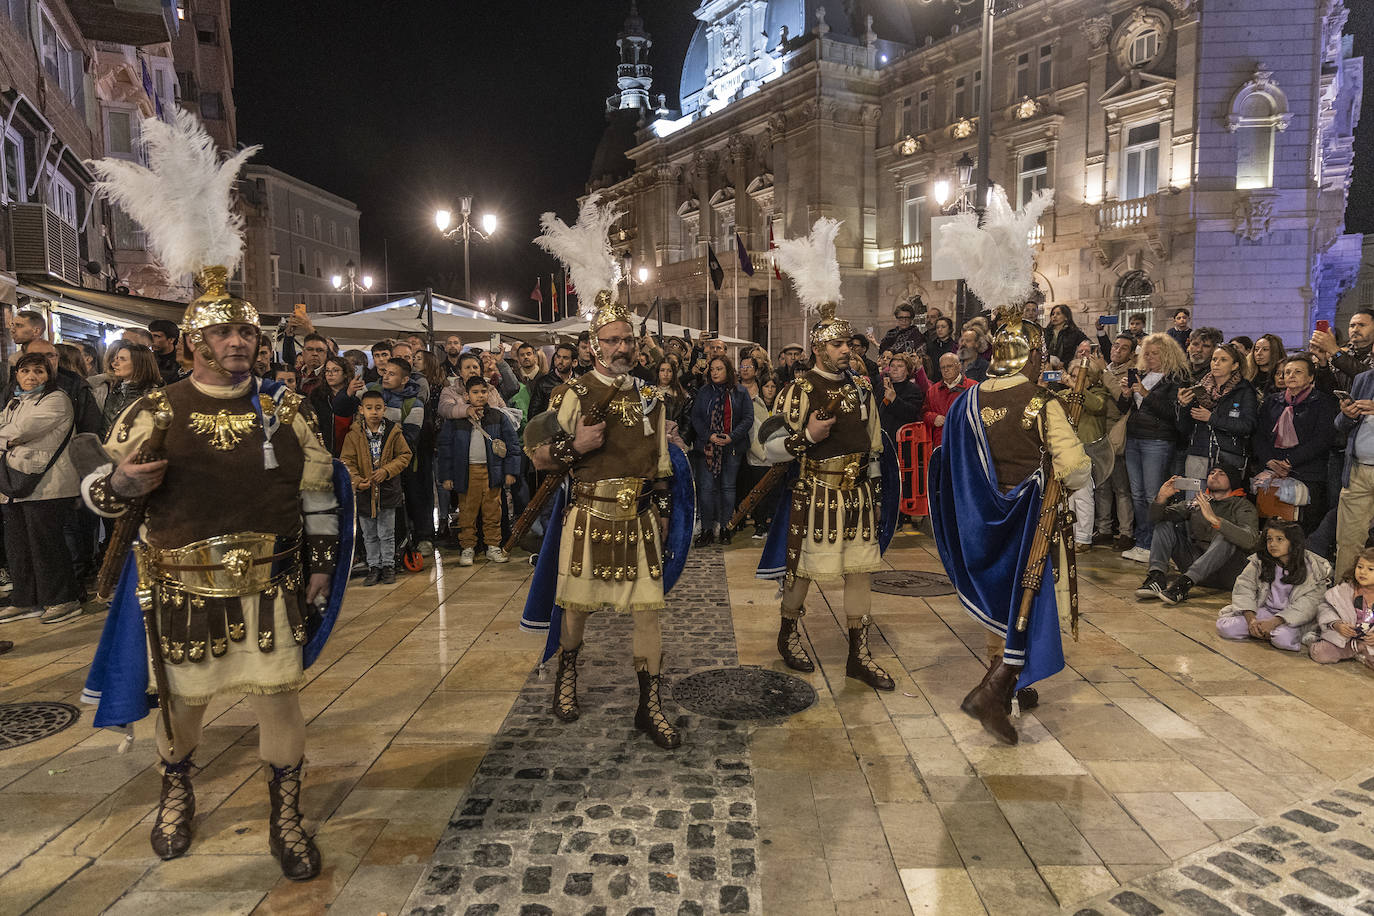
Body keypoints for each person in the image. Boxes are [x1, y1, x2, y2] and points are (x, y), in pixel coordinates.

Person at [82, 278, 343, 880]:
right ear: (194, 340)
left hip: (271, 581)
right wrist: (119, 487)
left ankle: (286, 814)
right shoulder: (154, 408)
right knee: (182, 709)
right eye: (223, 331)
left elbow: (319, 498)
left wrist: (324, 567)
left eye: (247, 331)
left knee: (280, 703)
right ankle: (177, 794)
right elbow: (102, 491)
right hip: (182, 586)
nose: (238, 341)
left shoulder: (286, 408)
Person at [930, 302, 1092, 746]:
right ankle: (996, 691)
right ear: (1031, 356)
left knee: (996, 602)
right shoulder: (1039, 402)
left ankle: (1003, 689)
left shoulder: (966, 401)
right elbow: (1075, 468)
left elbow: (951, 463)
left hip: (979, 521)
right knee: (1026, 602)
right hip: (1027, 523)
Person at [529, 288, 681, 749]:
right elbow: (536, 455)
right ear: (594, 345)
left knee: (649, 612)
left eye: (627, 340)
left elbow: (659, 467)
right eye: (611, 340)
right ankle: (566, 675)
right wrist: (576, 446)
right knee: (576, 609)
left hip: (638, 518)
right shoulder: (572, 393)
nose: (621, 348)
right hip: (590, 514)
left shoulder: (652, 397)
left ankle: (648, 706)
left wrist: (664, 512)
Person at [0, 352, 80, 625]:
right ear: (17, 375)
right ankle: (25, 600)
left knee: (45, 545)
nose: (31, 376)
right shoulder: (14, 402)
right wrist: (8, 438)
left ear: (49, 375)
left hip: (47, 485)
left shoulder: (56, 399)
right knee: (18, 547)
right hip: (15, 485)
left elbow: (22, 431)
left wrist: (8, 438)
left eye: (39, 371)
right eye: (25, 371)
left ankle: (62, 599)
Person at [1134, 465, 1259, 605]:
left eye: (1221, 473)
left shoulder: (1243, 506)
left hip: (1227, 572)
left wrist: (1216, 521)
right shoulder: (1198, 502)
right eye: (1212, 473)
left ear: (1232, 480)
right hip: (1196, 567)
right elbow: (1155, 518)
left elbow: (1251, 541)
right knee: (1164, 524)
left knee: (1225, 536)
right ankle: (1156, 577)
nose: (1214, 475)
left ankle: (1184, 584)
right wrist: (1161, 498)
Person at [1118, 333, 1190, 561]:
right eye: (1146, 353)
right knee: (1137, 494)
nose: (1148, 357)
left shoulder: (1175, 378)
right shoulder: (1142, 375)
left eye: (1154, 353)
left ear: (1167, 354)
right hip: (1135, 438)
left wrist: (1145, 393)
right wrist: (1127, 394)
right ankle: (1142, 541)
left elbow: (1171, 413)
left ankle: (1155, 545)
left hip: (1158, 440)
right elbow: (1123, 408)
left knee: (1152, 495)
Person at [437, 375, 521, 566]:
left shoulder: (498, 417)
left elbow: (512, 445)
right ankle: (468, 547)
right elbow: (445, 449)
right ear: (466, 395)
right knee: (467, 512)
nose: (480, 396)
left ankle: (493, 546)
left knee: (493, 511)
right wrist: (447, 476)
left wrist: (510, 472)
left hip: (493, 472)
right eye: (475, 392)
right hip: (466, 473)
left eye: (484, 391)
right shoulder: (456, 419)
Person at [1252, 354, 1338, 534]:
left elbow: (1322, 438)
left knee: (1303, 530)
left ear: (1311, 377)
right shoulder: (1272, 401)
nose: (1290, 376)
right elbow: (1258, 435)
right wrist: (1270, 461)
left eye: (1297, 372)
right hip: (1273, 471)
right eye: (1287, 372)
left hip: (1308, 472)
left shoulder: (1322, 402)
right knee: (1271, 527)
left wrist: (1290, 461)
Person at [1216, 520, 1330, 652]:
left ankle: (1269, 631)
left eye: (1279, 539)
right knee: (1225, 628)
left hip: (1291, 618)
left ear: (1293, 542)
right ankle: (1261, 631)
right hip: (1264, 611)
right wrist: (1251, 620)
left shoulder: (1313, 568)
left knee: (1282, 639)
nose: (1272, 544)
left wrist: (1274, 622)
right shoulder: (1259, 561)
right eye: (1269, 539)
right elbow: (1244, 588)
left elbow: (1309, 604)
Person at [340, 390, 411, 585]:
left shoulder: (393, 432)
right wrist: (355, 480)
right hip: (364, 491)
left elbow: (405, 455)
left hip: (387, 491)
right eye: (369, 408)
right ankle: (374, 566)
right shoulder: (354, 434)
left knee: (386, 532)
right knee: (369, 534)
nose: (374, 412)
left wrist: (386, 471)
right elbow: (347, 460)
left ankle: (388, 565)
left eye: (378, 408)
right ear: (361, 410)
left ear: (384, 409)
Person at [1055, 359, 1118, 550]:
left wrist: (1078, 388)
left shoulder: (1099, 394)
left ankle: (1083, 538)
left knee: (1083, 496)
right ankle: (1069, 535)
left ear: (1090, 378)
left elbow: (1097, 406)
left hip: (1089, 451)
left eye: (1080, 377)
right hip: (1067, 452)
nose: (1074, 381)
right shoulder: (1065, 394)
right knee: (1067, 497)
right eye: (1073, 377)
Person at [370, 357, 430, 553]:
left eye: (392, 374)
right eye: (385, 372)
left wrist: (384, 435)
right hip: (374, 461)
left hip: (403, 463)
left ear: (404, 379)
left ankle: (421, 537)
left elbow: (410, 436)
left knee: (413, 498)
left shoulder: (414, 403)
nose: (386, 376)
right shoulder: (372, 395)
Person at [690, 356, 751, 546]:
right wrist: (709, 436)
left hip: (732, 447)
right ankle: (707, 529)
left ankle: (726, 527)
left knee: (727, 488)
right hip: (708, 448)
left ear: (728, 371)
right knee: (707, 489)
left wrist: (732, 436)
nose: (715, 372)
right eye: (712, 369)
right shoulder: (704, 392)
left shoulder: (740, 392)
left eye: (719, 369)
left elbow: (748, 418)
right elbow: (696, 418)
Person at [1176, 342, 1257, 480]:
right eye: (1214, 359)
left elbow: (1248, 426)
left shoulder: (1244, 390)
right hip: (1198, 453)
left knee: (1221, 500)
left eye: (1223, 360)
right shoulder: (1199, 388)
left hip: (1228, 457)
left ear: (1235, 366)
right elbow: (1183, 428)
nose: (1216, 363)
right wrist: (1183, 406)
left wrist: (1212, 419)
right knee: (1194, 499)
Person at [1095, 335, 1137, 550]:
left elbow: (1123, 400)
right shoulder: (1105, 366)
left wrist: (1104, 373)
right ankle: (1103, 530)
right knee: (1102, 485)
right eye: (1115, 346)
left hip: (1116, 433)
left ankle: (1126, 533)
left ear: (1131, 354)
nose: (1117, 350)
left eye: (1124, 348)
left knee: (1121, 487)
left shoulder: (1131, 372)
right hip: (1098, 431)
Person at [1334, 366, 1374, 578]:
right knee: (1348, 542)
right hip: (1357, 470)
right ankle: (1342, 600)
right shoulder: (1363, 379)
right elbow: (1340, 425)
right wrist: (1347, 415)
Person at [1312, 546, 1374, 669]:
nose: (1363, 572)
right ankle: (1353, 648)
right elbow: (1325, 608)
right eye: (1360, 567)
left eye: (1370, 569)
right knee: (1320, 654)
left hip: (1370, 643)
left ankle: (1361, 650)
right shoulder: (1344, 590)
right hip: (1343, 640)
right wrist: (1337, 624)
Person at [91, 342, 162, 438]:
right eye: (116, 358)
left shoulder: (153, 396)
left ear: (139, 364)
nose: (114, 363)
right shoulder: (115, 391)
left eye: (122, 359)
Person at [741, 375, 780, 539]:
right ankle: (759, 524)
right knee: (758, 492)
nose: (770, 390)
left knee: (773, 493)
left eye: (773, 386)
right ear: (760, 387)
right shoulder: (753, 405)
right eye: (766, 386)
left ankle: (771, 523)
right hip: (758, 458)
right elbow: (751, 432)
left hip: (777, 457)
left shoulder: (781, 405)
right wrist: (762, 455)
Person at [307, 355, 364, 456]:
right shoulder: (317, 396)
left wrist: (349, 393)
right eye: (327, 371)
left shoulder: (356, 395)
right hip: (324, 449)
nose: (330, 374)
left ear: (345, 374)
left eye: (335, 370)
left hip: (350, 449)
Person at [1310, 308, 1374, 394]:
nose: (1355, 329)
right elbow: (1327, 391)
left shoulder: (1339, 355)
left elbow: (1369, 378)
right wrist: (1323, 363)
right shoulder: (1343, 354)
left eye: (1362, 325)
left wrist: (1334, 350)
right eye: (1352, 326)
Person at [922, 352, 975, 448]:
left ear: (959, 366)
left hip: (967, 443)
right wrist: (933, 418)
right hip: (941, 443)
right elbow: (924, 414)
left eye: (949, 366)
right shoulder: (932, 391)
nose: (946, 370)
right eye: (943, 367)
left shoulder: (973, 387)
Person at [530, 342, 575, 419]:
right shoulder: (543, 382)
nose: (560, 361)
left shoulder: (579, 381)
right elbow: (533, 415)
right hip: (549, 428)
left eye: (565, 358)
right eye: (558, 357)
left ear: (574, 362)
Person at [1044, 305, 1087, 369]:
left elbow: (1088, 344)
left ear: (1066, 317)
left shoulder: (1074, 333)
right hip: (1046, 368)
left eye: (1058, 314)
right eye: (1052, 314)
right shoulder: (1045, 332)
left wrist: (1066, 362)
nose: (1054, 316)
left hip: (1066, 369)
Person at [148, 319, 184, 385]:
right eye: (150, 336)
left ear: (171, 340)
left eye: (156, 336)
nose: (151, 340)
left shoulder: (181, 361)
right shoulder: (147, 358)